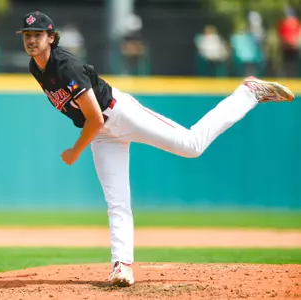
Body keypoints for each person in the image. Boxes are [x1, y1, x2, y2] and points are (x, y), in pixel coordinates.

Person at [17, 11, 295, 287]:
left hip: (117, 114)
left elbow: (95, 118)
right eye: (27, 35)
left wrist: (75, 151)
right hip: (101, 134)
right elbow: (90, 120)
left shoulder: (67, 66)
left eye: (38, 34)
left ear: (51, 37)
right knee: (117, 203)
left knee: (191, 145)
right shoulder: (35, 66)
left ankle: (248, 92)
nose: (31, 40)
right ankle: (122, 266)